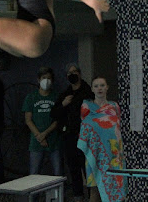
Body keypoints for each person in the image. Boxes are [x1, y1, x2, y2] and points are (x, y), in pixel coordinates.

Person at [77, 76, 127, 202]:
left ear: (107, 88)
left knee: (116, 187)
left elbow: (117, 129)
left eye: (102, 85)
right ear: (92, 89)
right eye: (96, 86)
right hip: (94, 153)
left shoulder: (114, 106)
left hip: (114, 155)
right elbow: (85, 128)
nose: (99, 88)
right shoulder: (86, 107)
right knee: (94, 190)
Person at [50, 63, 94, 201]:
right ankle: (78, 197)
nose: (72, 75)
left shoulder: (88, 92)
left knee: (88, 170)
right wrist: (63, 105)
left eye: (74, 72)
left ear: (79, 74)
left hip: (85, 137)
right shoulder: (65, 94)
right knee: (74, 170)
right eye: (69, 73)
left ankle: (93, 197)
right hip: (69, 137)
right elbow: (54, 114)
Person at [22, 67, 61, 175]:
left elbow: (58, 119)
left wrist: (44, 134)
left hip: (54, 142)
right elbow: (28, 120)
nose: (46, 80)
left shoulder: (57, 97)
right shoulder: (31, 97)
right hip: (36, 142)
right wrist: (39, 136)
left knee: (58, 173)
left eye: (49, 78)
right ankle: (36, 193)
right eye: (44, 78)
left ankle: (56, 193)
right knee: (34, 173)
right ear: (38, 80)